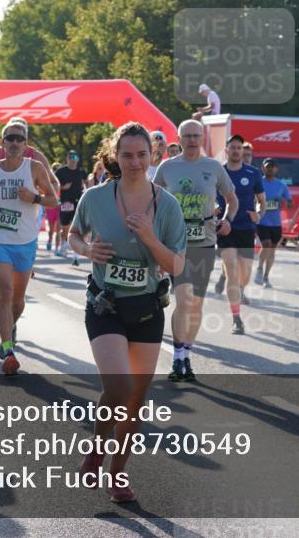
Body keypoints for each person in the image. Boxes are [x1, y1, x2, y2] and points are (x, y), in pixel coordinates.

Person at [68, 123, 186, 503]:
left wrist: (150, 237)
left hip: (147, 308)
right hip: (106, 304)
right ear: (114, 158)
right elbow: (74, 234)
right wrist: (87, 251)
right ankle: (96, 452)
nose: (135, 162)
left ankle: (118, 472)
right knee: (118, 387)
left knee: (136, 399)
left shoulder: (167, 205)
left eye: (141, 155)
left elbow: (178, 265)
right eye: (126, 155)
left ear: (153, 156)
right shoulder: (96, 198)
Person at [0, 121, 58, 376]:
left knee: (18, 300)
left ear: (25, 144)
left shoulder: (35, 168)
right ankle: (8, 349)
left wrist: (34, 198)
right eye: (9, 138)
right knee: (5, 292)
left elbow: (53, 200)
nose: (14, 142)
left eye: (19, 139)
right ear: (2, 143)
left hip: (26, 241)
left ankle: (10, 328)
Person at [154, 119, 237, 381]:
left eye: (196, 136)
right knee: (184, 299)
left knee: (197, 302)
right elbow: (153, 202)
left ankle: (187, 353)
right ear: (179, 138)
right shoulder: (167, 167)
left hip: (204, 242)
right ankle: (178, 358)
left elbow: (231, 200)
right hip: (176, 244)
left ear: (202, 138)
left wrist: (227, 221)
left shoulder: (213, 167)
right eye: (187, 136)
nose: (191, 140)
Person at [212, 135, 265, 332]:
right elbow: (210, 196)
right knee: (232, 270)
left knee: (244, 275)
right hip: (225, 228)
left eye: (239, 148)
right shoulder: (219, 172)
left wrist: (258, 213)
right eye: (232, 147)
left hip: (246, 229)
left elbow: (261, 200)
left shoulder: (253, 173)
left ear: (243, 151)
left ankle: (239, 287)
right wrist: (214, 208)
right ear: (226, 150)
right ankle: (236, 319)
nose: (235, 151)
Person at [255, 158, 293, 289]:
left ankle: (266, 276)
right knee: (266, 245)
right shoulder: (258, 182)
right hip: (262, 220)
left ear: (276, 169)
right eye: (267, 166)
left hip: (276, 223)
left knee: (272, 250)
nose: (270, 169)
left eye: (272, 166)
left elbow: (289, 203)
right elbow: (253, 198)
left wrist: (285, 202)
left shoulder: (281, 185)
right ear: (263, 168)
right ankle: (259, 268)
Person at [55, 149, 90, 266]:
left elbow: (87, 182)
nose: (73, 160)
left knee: (77, 227)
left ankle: (75, 256)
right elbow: (53, 184)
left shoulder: (81, 171)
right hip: (65, 202)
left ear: (78, 159)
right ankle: (64, 243)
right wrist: (62, 187)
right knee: (65, 227)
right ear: (67, 159)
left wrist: (87, 191)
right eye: (70, 157)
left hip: (78, 202)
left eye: (75, 157)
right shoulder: (61, 172)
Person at [44, 162, 63, 254]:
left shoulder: (64, 179)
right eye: (56, 170)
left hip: (60, 206)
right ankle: (50, 239)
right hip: (51, 206)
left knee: (59, 229)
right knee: (52, 229)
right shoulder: (50, 180)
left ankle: (57, 248)